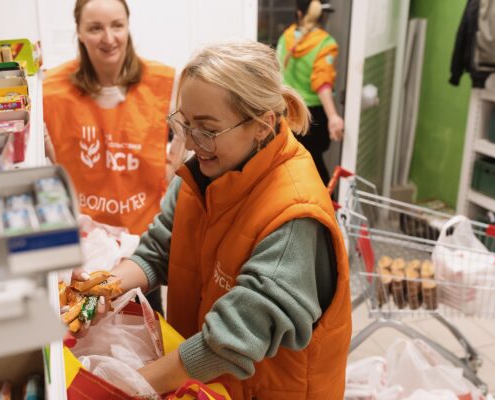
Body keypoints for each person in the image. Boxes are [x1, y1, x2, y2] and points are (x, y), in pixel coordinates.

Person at [77, 40, 352, 399]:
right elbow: (158, 251)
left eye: (207, 130)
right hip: (208, 385)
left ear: (262, 125)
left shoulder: (294, 217)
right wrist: (101, 289)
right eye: (185, 124)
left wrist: (125, 385)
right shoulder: (202, 176)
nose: (191, 143)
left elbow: (229, 341)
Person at [43, 0, 184, 313]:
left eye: (117, 26)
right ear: (79, 32)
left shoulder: (161, 81)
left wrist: (172, 165)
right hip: (86, 252)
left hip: (141, 249)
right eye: (95, 28)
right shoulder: (51, 89)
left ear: (127, 26)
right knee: (88, 324)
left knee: (146, 327)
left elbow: (189, 132)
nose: (109, 38)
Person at [276, 0, 344, 184]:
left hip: (287, 112)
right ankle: (326, 200)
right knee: (313, 166)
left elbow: (277, 74)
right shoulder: (325, 43)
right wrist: (333, 116)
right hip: (312, 118)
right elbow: (322, 82)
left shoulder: (286, 37)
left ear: (299, 13)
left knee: (293, 163)